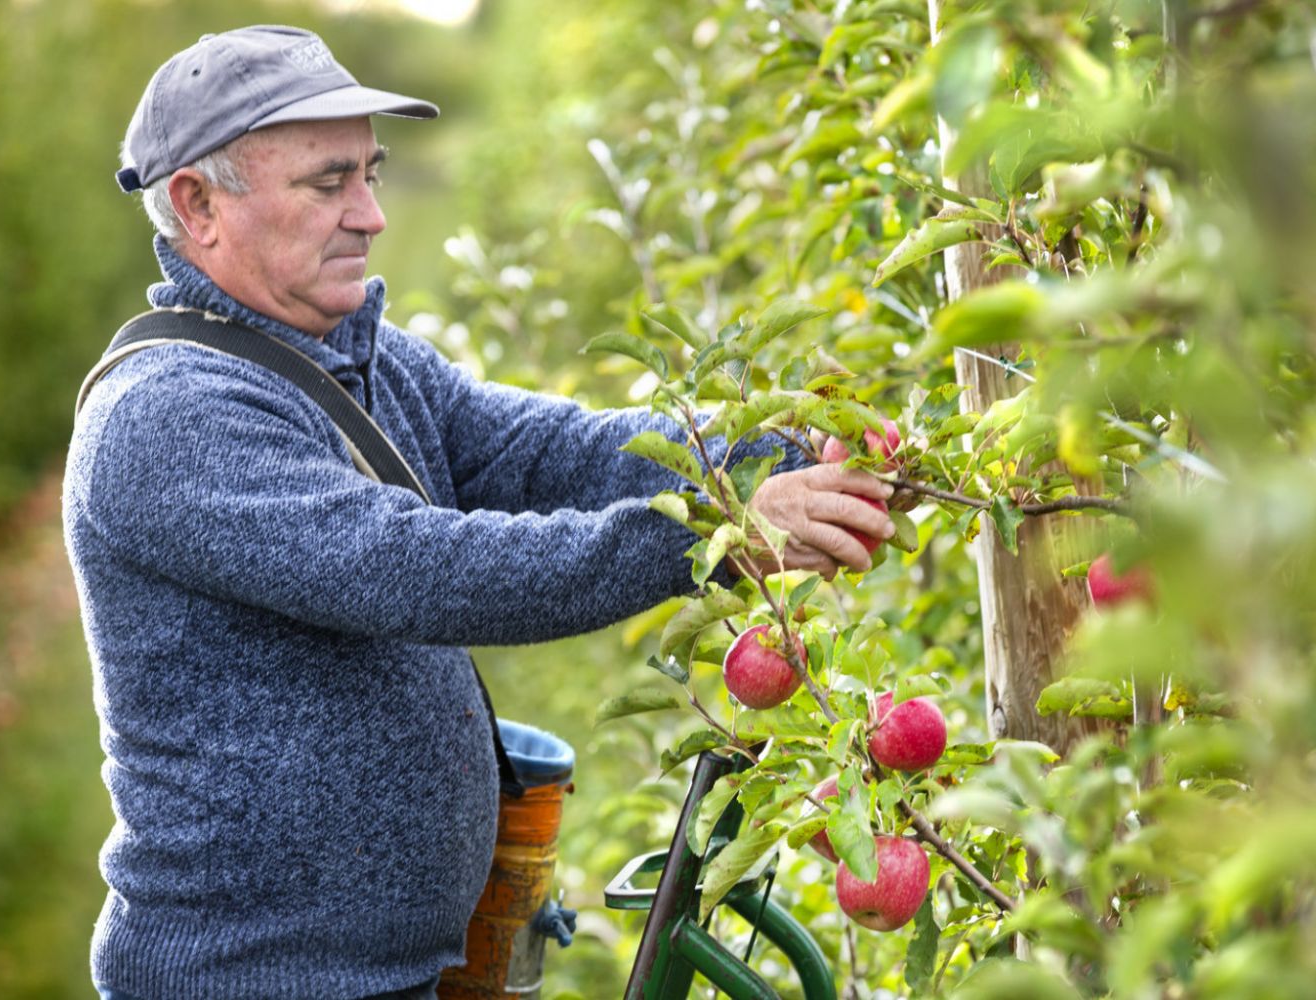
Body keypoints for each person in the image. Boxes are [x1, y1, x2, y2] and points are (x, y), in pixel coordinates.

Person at [64, 25, 895, 1000]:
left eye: (370, 173)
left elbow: (554, 451)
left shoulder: (360, 357)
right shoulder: (168, 415)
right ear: (199, 206)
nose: (370, 214)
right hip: (253, 980)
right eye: (328, 184)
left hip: (401, 970)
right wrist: (721, 537)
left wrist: (785, 452)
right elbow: (419, 569)